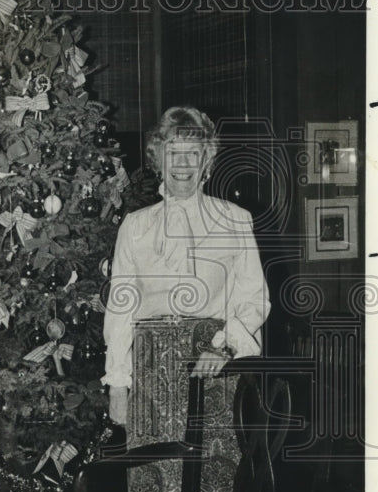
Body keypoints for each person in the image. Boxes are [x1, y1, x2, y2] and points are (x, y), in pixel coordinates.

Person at [102, 105, 271, 426]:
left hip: (214, 366)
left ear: (206, 161)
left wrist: (224, 348)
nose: (182, 164)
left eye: (192, 153)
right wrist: (118, 385)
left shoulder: (234, 219)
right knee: (152, 471)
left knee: (214, 473)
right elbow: (121, 308)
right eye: (172, 153)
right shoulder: (135, 226)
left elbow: (254, 299)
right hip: (149, 370)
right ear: (158, 160)